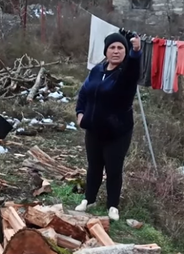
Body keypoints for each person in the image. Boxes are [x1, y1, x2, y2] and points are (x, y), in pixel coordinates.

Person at [74, 32, 141, 221]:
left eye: (121, 48)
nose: (116, 51)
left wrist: (136, 51)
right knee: (94, 166)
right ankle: (89, 200)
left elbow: (134, 69)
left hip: (117, 132)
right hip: (93, 130)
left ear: (125, 52)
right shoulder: (97, 70)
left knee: (113, 168)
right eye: (112, 47)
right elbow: (84, 93)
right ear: (106, 51)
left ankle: (113, 206)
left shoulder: (125, 74)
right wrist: (80, 114)